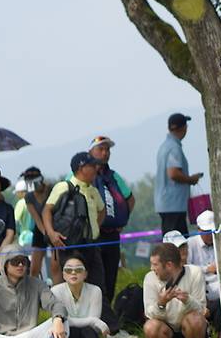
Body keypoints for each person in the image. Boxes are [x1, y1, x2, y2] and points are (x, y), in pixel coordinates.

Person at [42, 152, 120, 335]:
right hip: (69, 245)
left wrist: (95, 229)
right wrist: (52, 234)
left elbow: (102, 211)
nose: (96, 169)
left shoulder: (92, 189)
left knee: (99, 285)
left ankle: (105, 327)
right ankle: (62, 324)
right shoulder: (64, 186)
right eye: (92, 166)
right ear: (81, 168)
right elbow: (47, 209)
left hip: (91, 245)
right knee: (70, 284)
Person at [88, 136, 135, 303]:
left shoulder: (114, 176)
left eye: (107, 149)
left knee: (110, 276)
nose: (105, 152)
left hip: (112, 234)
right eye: (101, 149)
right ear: (91, 151)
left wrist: (122, 220)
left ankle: (108, 315)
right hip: (92, 235)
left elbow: (130, 199)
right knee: (94, 276)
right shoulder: (81, 174)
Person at [0, 244, 68, 338]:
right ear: (5, 264)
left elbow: (56, 304)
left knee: (64, 321)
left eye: (23, 261)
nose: (20, 265)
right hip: (0, 336)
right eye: (16, 261)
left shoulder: (37, 284)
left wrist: (58, 319)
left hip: (30, 335)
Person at [142, 243, 207, 338]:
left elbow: (201, 310)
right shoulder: (150, 278)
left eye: (155, 264)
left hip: (187, 325)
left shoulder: (195, 273)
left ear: (169, 265)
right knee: (150, 327)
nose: (152, 268)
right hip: (166, 328)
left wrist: (187, 300)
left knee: (195, 320)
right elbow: (149, 313)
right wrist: (161, 304)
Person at [155, 114, 203, 236]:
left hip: (167, 204)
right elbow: (173, 173)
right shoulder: (174, 148)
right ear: (183, 128)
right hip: (174, 205)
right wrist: (191, 179)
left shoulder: (164, 146)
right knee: (176, 243)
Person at [51, 253, 110, 337]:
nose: (73, 272)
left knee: (88, 331)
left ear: (85, 274)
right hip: (66, 333)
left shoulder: (95, 291)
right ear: (63, 274)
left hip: (88, 333)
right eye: (68, 270)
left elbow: (94, 325)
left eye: (78, 269)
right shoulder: (55, 291)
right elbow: (60, 321)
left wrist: (93, 321)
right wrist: (91, 321)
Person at [185, 211, 221, 334]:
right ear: (199, 229)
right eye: (206, 232)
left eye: (211, 231)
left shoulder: (220, 242)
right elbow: (187, 268)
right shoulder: (190, 244)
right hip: (201, 291)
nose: (209, 235)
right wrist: (207, 269)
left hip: (219, 290)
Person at [22, 166, 58, 282]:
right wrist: (45, 233)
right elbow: (36, 217)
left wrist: (51, 233)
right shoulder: (29, 196)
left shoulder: (51, 189)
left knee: (55, 265)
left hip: (55, 227)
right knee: (34, 268)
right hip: (40, 229)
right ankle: (33, 293)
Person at [0, 166, 15, 275]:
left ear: (0, 185)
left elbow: (10, 233)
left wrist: (0, 254)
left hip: (3, 253)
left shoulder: (8, 208)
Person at [12, 179, 33, 247]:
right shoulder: (34, 202)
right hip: (36, 237)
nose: (17, 195)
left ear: (22, 192)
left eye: (17, 193)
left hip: (24, 238)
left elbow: (15, 222)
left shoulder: (21, 203)